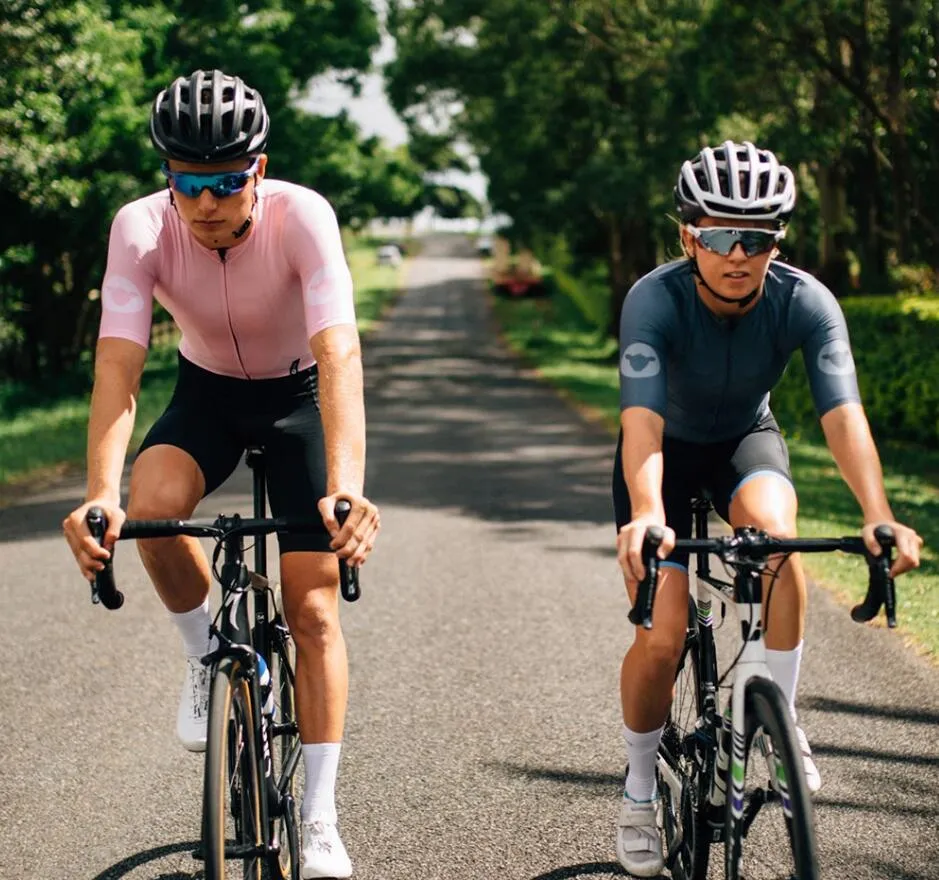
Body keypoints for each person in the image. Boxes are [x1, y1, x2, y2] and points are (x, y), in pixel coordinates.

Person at [61, 69, 380, 879]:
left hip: (298, 398)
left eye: (226, 182)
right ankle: (208, 657)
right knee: (150, 509)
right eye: (187, 182)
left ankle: (318, 818)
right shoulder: (138, 229)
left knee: (311, 611)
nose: (206, 202)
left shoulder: (303, 217)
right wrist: (99, 492)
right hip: (205, 394)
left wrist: (346, 484)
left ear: (259, 170)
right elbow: (119, 366)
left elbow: (339, 353)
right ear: (167, 174)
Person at [611, 140, 923, 877]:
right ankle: (634, 793)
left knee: (778, 545)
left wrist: (876, 513)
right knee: (659, 636)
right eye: (720, 236)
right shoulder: (653, 298)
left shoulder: (804, 301)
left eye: (758, 239)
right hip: (660, 455)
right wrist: (648, 512)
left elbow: (843, 417)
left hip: (743, 441)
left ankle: (774, 724)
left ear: (775, 242)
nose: (738, 254)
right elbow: (642, 425)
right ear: (688, 236)